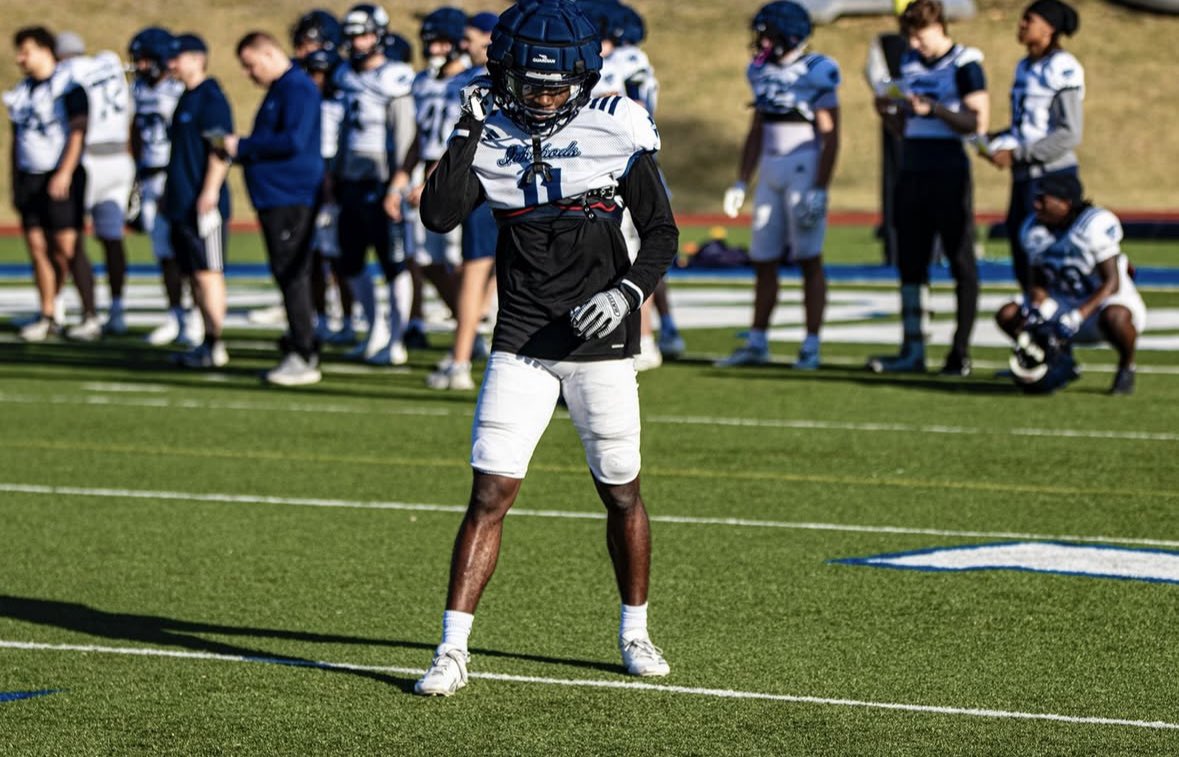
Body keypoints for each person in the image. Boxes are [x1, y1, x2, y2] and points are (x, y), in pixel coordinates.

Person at [413, 0, 678, 696]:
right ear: (504, 75)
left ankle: (633, 627)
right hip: (523, 335)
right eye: (529, 86)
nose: (541, 99)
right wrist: (466, 129)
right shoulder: (488, 124)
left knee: (620, 491)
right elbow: (438, 215)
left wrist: (624, 294)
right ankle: (451, 648)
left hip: (602, 339)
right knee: (489, 490)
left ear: (582, 79)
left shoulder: (617, 123)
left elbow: (661, 235)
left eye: (555, 87)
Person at [718, 1, 840, 370]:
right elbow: (756, 129)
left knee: (808, 258)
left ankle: (812, 343)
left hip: (804, 168)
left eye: (766, 33)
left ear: (787, 36)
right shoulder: (760, 71)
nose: (760, 41)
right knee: (763, 258)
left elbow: (832, 134)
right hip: (771, 168)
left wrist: (820, 185)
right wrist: (742, 180)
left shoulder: (817, 70)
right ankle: (757, 341)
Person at [868, 0, 988, 376]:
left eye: (920, 37)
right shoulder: (909, 61)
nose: (915, 46)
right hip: (912, 166)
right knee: (910, 260)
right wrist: (890, 114)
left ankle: (959, 351)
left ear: (939, 27)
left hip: (948, 167)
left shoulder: (965, 62)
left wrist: (933, 109)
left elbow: (975, 122)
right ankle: (913, 348)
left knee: (960, 259)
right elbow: (906, 125)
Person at [223, 32, 324, 386]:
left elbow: (293, 140)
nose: (250, 75)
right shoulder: (284, 88)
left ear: (268, 55)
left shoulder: (296, 88)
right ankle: (299, 341)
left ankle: (304, 352)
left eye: (251, 66)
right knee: (287, 273)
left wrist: (243, 146)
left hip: (290, 195)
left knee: (293, 273)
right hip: (277, 195)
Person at [995, 174, 1141, 396]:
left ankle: (1127, 367)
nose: (1037, 205)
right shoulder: (1034, 229)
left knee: (1117, 317)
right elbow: (1038, 280)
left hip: (1101, 302)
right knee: (1009, 314)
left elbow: (1111, 283)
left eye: (1044, 199)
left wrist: (1077, 316)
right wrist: (1037, 307)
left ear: (1066, 202)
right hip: (1062, 301)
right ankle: (1061, 361)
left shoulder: (1093, 226)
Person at [333, 3, 416, 365]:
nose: (356, 41)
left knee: (393, 263)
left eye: (363, 34)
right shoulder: (345, 75)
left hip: (383, 179)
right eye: (352, 35)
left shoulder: (395, 75)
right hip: (350, 178)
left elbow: (405, 132)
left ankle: (396, 339)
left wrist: (397, 182)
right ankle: (375, 329)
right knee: (350, 261)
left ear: (380, 35)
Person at [423, 10, 501, 391]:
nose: (466, 46)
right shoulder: (475, 78)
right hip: (501, 185)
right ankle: (476, 347)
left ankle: (459, 360)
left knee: (474, 275)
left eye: (475, 39)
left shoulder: (486, 81)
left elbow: (468, 141)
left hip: (485, 184)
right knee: (485, 274)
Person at [388, 6, 473, 356]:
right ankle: (466, 325)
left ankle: (471, 329)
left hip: (459, 177)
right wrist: (400, 179)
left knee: (465, 262)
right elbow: (420, 138)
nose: (435, 50)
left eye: (441, 43)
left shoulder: (471, 81)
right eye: (430, 43)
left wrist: (433, 180)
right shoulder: (421, 82)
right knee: (426, 259)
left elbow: (464, 139)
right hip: (427, 175)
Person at [983, 0, 1083, 293]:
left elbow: (1068, 133)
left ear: (1049, 28)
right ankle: (1034, 328)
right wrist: (996, 139)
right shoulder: (1025, 66)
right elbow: (1029, 125)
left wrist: (1017, 154)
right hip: (1024, 176)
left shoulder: (1062, 68)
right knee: (1021, 256)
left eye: (1030, 19)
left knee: (1047, 260)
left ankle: (1056, 327)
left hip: (1052, 177)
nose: (1022, 25)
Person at [5, 26, 93, 343]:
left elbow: (78, 131)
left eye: (26, 51)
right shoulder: (23, 91)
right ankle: (48, 313)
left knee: (67, 249)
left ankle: (89, 314)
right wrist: (14, 181)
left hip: (61, 175)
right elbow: (17, 140)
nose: (20, 58)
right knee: (38, 248)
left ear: (45, 50)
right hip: (31, 177)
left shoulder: (68, 87)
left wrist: (65, 172)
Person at [55, 31, 136, 339]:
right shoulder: (109, 65)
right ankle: (117, 309)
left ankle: (71, 309)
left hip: (87, 158)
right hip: (119, 157)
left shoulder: (68, 73)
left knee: (69, 236)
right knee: (112, 238)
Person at [128, 27, 201, 349]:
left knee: (189, 251)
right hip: (151, 177)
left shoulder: (178, 90)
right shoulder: (138, 90)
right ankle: (176, 314)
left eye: (145, 60)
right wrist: (136, 172)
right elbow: (135, 132)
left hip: (179, 178)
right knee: (164, 252)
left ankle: (197, 315)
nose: (141, 66)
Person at [163, 33, 233, 369]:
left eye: (177, 57)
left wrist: (210, 191)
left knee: (209, 272)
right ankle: (204, 339)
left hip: (202, 202)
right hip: (181, 201)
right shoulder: (184, 98)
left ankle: (216, 342)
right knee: (193, 272)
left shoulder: (210, 97)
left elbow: (220, 149)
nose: (171, 64)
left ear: (196, 58)